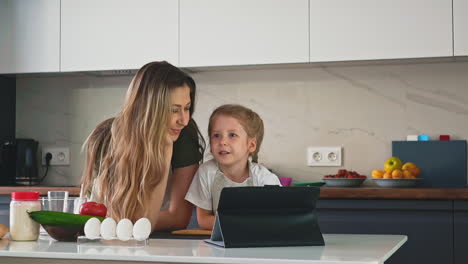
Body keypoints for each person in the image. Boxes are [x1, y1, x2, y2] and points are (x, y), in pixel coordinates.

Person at [80, 61, 205, 231]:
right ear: (149, 109)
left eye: (187, 108)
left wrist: (128, 223)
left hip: (161, 244)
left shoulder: (182, 136)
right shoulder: (105, 137)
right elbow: (94, 212)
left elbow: (177, 217)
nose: (183, 120)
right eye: (174, 110)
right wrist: (128, 223)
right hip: (112, 240)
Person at [185, 104, 281, 230]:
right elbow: (204, 220)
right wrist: (240, 224)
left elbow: (276, 218)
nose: (222, 141)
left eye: (232, 135)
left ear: (251, 145)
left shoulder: (265, 178)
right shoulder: (206, 172)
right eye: (216, 135)